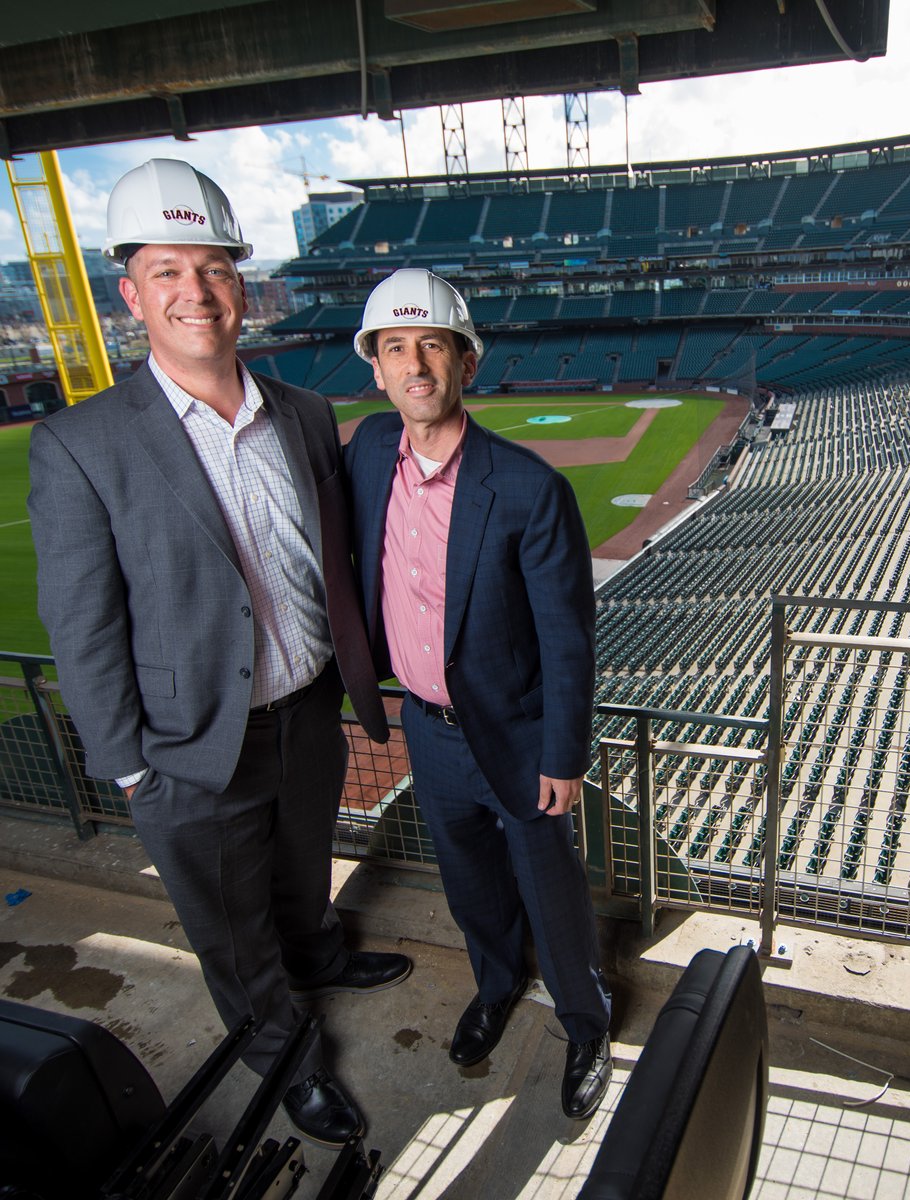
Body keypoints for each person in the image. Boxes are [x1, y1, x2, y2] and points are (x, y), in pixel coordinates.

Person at [27, 158, 411, 1148]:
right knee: (234, 934)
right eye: (167, 272)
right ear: (132, 293)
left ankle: (319, 953)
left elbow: (327, 561)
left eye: (213, 269)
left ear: (243, 284)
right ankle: (285, 1056)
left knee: (298, 870)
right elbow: (81, 622)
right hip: (188, 746)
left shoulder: (306, 414)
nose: (195, 293)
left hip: (305, 712)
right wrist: (129, 766)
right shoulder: (79, 443)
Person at [343, 268, 612, 1120]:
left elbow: (569, 637)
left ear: (466, 363)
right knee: (470, 888)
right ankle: (496, 988)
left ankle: (586, 1022)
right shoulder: (365, 455)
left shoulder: (529, 487)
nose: (414, 364)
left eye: (432, 345)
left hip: (520, 735)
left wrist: (563, 753)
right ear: (376, 369)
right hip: (426, 728)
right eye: (395, 348)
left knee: (551, 892)